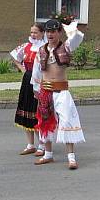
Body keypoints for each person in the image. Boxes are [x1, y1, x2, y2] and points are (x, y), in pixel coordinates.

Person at [31, 19, 85, 170]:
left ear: (59, 33)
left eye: (53, 31)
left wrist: (69, 28)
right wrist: (36, 89)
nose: (50, 34)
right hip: (45, 91)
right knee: (45, 122)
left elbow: (78, 37)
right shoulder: (40, 50)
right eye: (48, 31)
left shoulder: (66, 47)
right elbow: (36, 72)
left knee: (67, 121)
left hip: (62, 92)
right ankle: (48, 154)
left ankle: (71, 157)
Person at [10, 23, 45, 156]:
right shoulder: (26, 46)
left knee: (37, 112)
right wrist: (23, 70)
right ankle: (30, 144)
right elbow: (15, 57)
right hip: (27, 80)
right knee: (26, 111)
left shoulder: (44, 48)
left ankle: (42, 144)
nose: (32, 35)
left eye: (35, 32)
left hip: (39, 82)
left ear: (42, 33)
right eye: (31, 32)